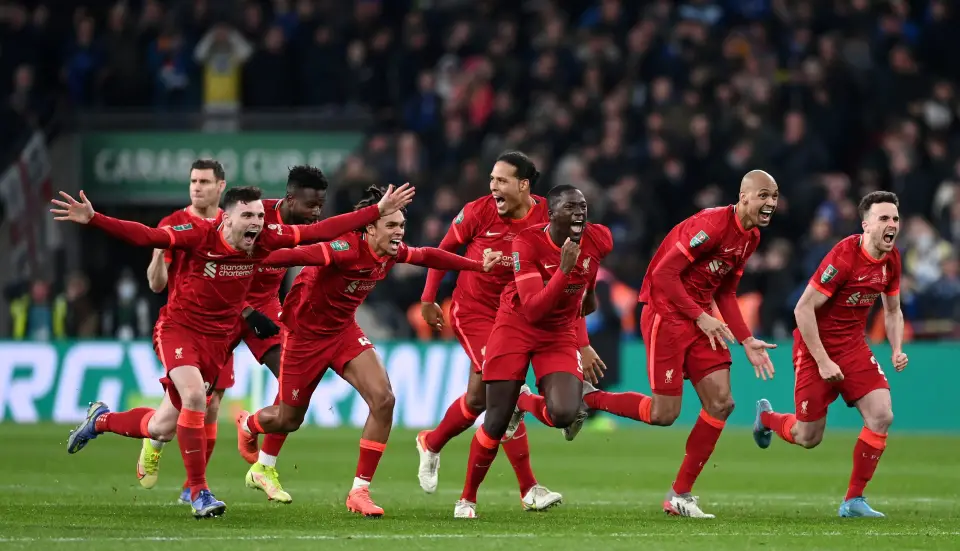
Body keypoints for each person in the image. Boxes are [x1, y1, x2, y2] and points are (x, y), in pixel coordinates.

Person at [55, 184, 414, 519]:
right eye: (248, 216)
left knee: (161, 427)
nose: (257, 224)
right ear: (226, 218)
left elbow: (323, 230)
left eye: (260, 217)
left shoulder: (266, 239)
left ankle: (100, 420)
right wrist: (95, 219)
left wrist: (376, 211)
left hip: (217, 338)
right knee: (197, 398)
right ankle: (199, 493)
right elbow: (147, 235)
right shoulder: (199, 234)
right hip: (179, 329)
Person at [235, 185, 501, 516]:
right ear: (370, 227)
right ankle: (250, 424)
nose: (399, 232)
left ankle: (359, 490)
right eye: (391, 225)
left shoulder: (391, 251)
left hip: (343, 331)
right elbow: (297, 254)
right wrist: (248, 256)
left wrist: (477, 265)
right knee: (289, 419)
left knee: (384, 399)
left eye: (401, 226)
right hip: (304, 336)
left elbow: (428, 255)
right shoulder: (344, 248)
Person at [136, 164, 329, 505]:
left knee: (291, 377)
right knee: (181, 412)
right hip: (214, 316)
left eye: (206, 182)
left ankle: (233, 471)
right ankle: (152, 440)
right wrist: (244, 312)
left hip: (261, 308)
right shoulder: (220, 223)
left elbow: (324, 235)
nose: (316, 214)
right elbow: (182, 282)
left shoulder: (267, 222)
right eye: (195, 181)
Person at [416, 151, 584, 510]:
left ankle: (431, 442)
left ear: (524, 186)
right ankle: (529, 488)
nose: (493, 187)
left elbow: (571, 279)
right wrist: (429, 298)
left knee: (480, 400)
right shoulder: (477, 212)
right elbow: (442, 250)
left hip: (519, 314)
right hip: (474, 311)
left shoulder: (548, 216)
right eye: (491, 179)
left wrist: (580, 339)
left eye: (502, 180)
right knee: (507, 396)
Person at [609, 170, 779, 519]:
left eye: (775, 196)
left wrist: (746, 339)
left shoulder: (751, 238)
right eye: (764, 195)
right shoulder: (713, 226)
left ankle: (680, 494)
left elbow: (727, 292)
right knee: (663, 414)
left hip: (701, 317)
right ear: (744, 196)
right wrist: (700, 316)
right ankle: (587, 397)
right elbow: (662, 276)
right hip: (665, 314)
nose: (771, 203)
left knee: (721, 403)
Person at [454, 184, 613, 519]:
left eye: (583, 206)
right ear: (552, 213)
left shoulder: (600, 238)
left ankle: (521, 402)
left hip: (557, 334)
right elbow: (534, 308)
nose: (580, 213)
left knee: (564, 414)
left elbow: (590, 273)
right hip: (516, 326)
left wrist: (589, 296)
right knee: (495, 420)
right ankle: (467, 498)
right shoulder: (525, 243)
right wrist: (565, 271)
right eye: (571, 207)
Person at [753, 191, 906, 518]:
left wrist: (896, 349)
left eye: (894, 218)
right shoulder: (843, 258)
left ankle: (853, 501)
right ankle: (766, 419)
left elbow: (892, 310)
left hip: (853, 347)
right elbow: (802, 308)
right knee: (808, 437)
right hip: (814, 349)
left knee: (882, 415)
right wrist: (822, 360)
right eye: (883, 218)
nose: (891, 224)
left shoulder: (892, 260)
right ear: (866, 225)